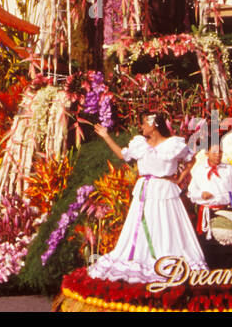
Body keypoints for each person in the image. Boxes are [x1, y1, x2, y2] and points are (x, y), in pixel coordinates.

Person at [88, 113, 207, 283]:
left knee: (166, 225)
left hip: (165, 190)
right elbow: (123, 155)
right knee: (145, 225)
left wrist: (180, 178)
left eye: (144, 124)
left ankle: (166, 257)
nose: (141, 127)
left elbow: (190, 159)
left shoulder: (173, 144)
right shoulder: (140, 144)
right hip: (145, 192)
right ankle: (142, 258)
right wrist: (106, 136)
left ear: (155, 125)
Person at [187, 143, 232, 238]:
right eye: (214, 152)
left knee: (229, 239)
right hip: (208, 212)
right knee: (210, 243)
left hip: (227, 211)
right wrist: (201, 195)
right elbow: (191, 192)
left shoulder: (229, 170)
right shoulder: (200, 170)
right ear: (207, 153)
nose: (218, 155)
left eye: (220, 152)